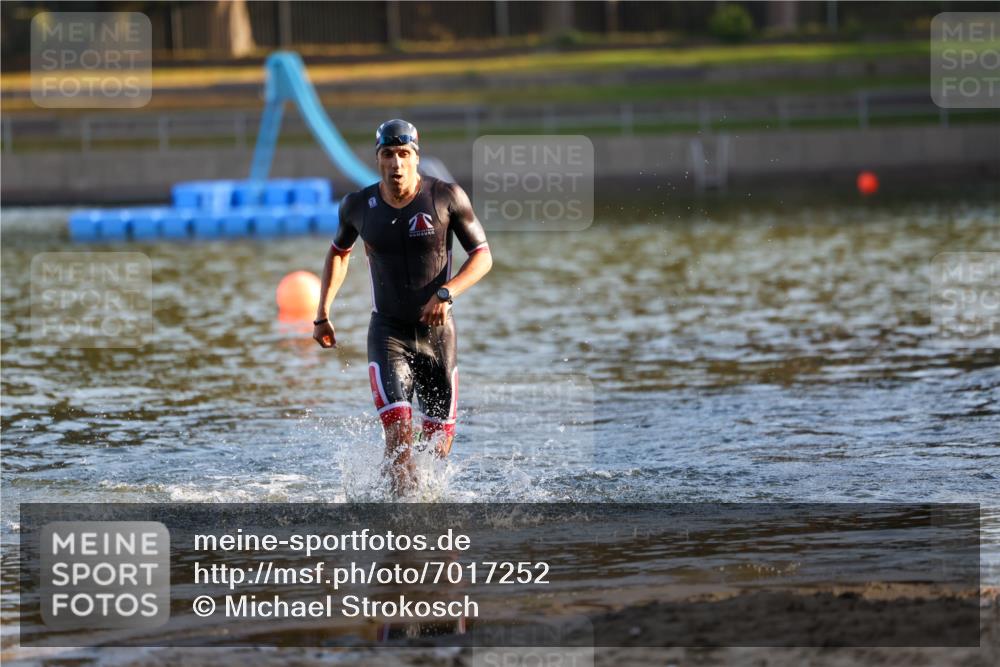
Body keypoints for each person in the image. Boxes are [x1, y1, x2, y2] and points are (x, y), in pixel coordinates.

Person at [312, 119, 492, 495]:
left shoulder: (445, 197)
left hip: (438, 337)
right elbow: (338, 253)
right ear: (378, 159)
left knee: (437, 449)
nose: (396, 163)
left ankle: (418, 507)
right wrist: (322, 314)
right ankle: (397, 516)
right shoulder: (357, 206)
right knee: (398, 439)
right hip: (388, 334)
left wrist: (447, 293)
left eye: (404, 154)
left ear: (416, 158)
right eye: (388, 155)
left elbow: (482, 256)